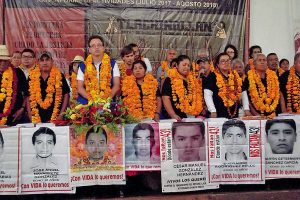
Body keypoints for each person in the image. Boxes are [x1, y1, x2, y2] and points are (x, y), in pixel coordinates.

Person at [203, 53, 250, 118]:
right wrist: (212, 110)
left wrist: (246, 109)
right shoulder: (212, 76)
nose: (226, 63)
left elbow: (243, 92)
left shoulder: (235, 76)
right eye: (223, 61)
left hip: (234, 114)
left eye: (228, 60)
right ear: (218, 64)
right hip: (217, 115)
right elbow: (207, 94)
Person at [28, 51, 70, 123]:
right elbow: (27, 96)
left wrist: (61, 114)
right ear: (38, 62)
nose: (45, 62)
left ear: (52, 61)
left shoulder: (59, 75)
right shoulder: (31, 76)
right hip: (36, 118)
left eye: (47, 59)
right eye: (42, 60)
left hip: (56, 117)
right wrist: (30, 115)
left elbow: (66, 95)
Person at [77, 35, 120, 104]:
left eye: (99, 45)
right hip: (88, 102)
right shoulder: (83, 66)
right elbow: (80, 88)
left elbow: (116, 85)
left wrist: (107, 99)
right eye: (93, 46)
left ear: (103, 48)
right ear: (89, 50)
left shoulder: (112, 64)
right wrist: (93, 101)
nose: (96, 47)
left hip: (108, 102)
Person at [162, 55, 203, 120]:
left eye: (188, 65)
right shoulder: (169, 79)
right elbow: (165, 98)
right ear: (177, 66)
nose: (186, 67)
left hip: (193, 117)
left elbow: (197, 96)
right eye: (184, 65)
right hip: (177, 118)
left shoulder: (193, 80)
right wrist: (173, 115)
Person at [243, 53, 280, 118]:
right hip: (255, 115)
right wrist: (256, 114)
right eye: (259, 60)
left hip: (273, 113)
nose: (262, 62)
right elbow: (247, 98)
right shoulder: (249, 78)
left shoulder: (273, 77)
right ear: (254, 64)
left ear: (267, 63)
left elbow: (277, 95)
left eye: (264, 60)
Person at [0, 45, 29, 126]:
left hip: (15, 116)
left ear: (9, 61)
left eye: (5, 61)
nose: (2, 63)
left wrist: (22, 109)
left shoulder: (18, 72)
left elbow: (26, 93)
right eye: (0, 60)